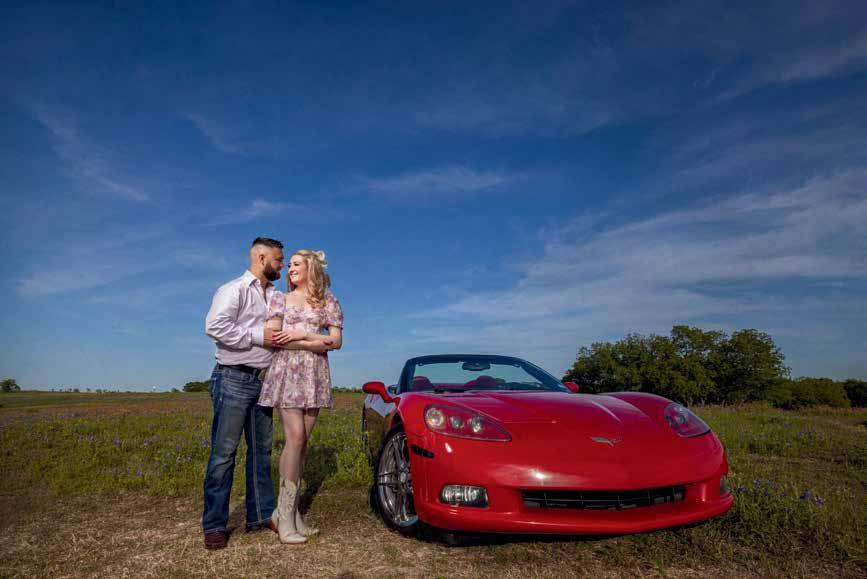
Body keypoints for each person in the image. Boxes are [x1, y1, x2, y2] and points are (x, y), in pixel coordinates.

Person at [201, 237, 330, 550]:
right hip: (233, 376)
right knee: (224, 453)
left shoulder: (276, 296)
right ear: (261, 258)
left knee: (261, 451)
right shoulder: (233, 290)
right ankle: (215, 524)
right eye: (278, 259)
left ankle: (260, 515)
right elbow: (215, 327)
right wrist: (260, 336)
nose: (282, 265)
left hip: (265, 380)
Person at [258, 249, 343, 544]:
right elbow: (274, 337)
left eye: (296, 264)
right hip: (288, 371)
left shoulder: (328, 301)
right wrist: (314, 340)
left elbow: (337, 341)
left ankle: (291, 515)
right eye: (289, 265)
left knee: (303, 442)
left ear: (311, 268)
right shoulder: (279, 299)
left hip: (315, 374)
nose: (290, 269)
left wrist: (298, 336)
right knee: (294, 438)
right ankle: (283, 518)